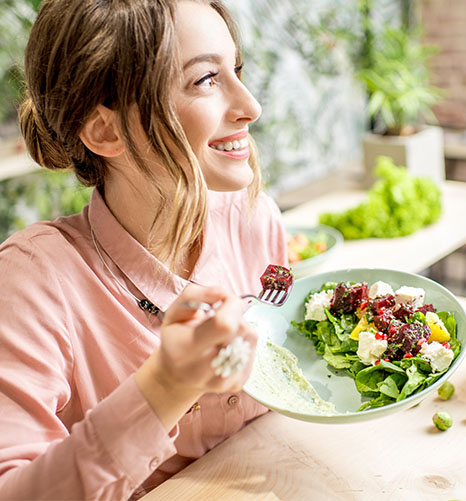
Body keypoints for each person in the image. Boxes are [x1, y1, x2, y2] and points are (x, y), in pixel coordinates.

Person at [0, 0, 288, 499]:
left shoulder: (255, 219)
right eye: (205, 80)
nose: (251, 106)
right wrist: (166, 387)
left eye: (235, 69)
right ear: (104, 130)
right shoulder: (31, 281)